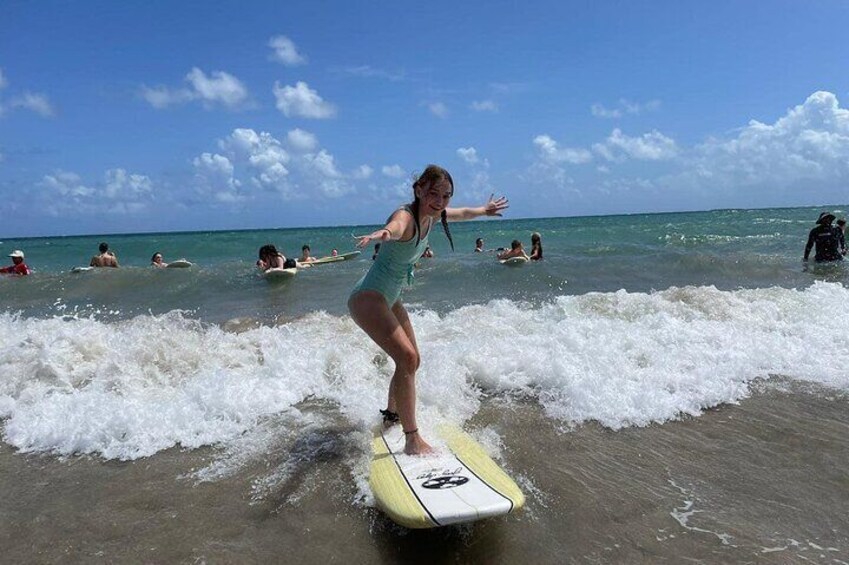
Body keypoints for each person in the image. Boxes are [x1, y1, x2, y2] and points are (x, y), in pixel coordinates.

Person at [348, 164, 509, 455]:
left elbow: (460, 214)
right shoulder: (406, 216)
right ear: (419, 190)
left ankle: (392, 416)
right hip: (368, 298)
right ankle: (412, 440)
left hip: (389, 297)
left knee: (412, 360)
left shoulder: (434, 216)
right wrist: (382, 233)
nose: (441, 201)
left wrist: (484, 211)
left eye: (446, 196)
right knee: (407, 358)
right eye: (434, 194)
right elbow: (395, 228)